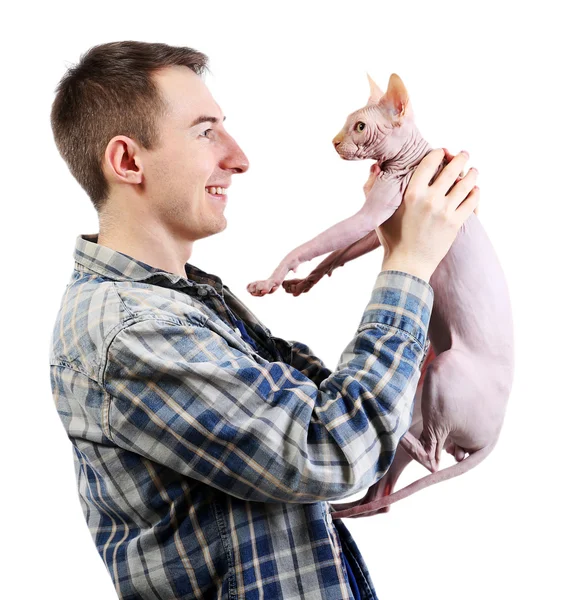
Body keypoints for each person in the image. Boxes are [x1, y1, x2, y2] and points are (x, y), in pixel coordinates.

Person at [48, 40, 479, 600]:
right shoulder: (132, 329)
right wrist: (410, 266)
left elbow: (329, 412)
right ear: (129, 162)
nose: (239, 157)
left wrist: (397, 244)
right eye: (206, 132)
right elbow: (338, 451)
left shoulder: (186, 304)